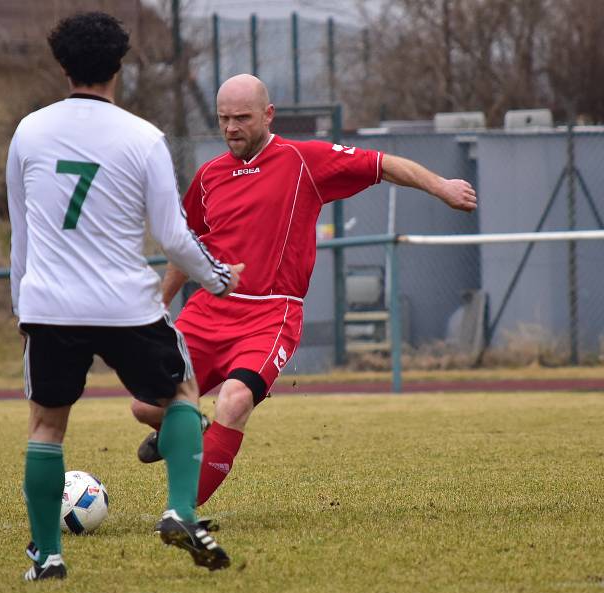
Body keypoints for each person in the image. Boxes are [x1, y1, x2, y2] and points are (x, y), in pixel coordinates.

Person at [131, 73, 478, 506]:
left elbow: (382, 163)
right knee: (145, 407)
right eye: (224, 119)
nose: (232, 128)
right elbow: (186, 246)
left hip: (269, 315)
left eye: (242, 117)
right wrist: (159, 306)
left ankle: (180, 513)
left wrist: (441, 187)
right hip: (208, 312)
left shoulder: (303, 160)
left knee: (235, 401)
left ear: (268, 114)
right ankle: (191, 427)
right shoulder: (209, 176)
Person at [7, 13, 244, 580]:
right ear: (120, 66)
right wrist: (217, 278)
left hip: (50, 304)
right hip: (125, 305)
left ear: (63, 67)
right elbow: (174, 237)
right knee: (183, 394)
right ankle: (180, 511)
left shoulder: (29, 132)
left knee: (46, 427)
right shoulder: (143, 137)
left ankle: (48, 558)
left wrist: (23, 307)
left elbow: (21, 235)